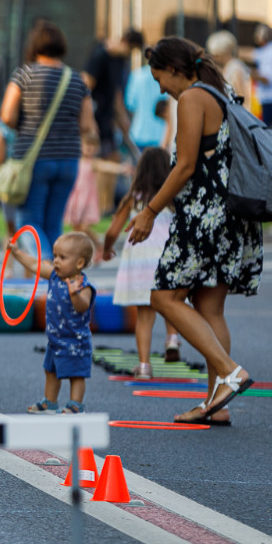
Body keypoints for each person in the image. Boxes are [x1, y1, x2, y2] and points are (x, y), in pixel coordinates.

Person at [129, 37, 260, 425]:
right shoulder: (222, 93)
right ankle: (214, 402)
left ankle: (230, 371)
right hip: (233, 214)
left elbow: (184, 166)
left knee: (163, 297)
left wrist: (149, 211)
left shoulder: (190, 99)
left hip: (205, 216)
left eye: (159, 79)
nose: (160, 88)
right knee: (209, 307)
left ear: (174, 69)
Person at [0, 20, 96, 256]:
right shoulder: (77, 80)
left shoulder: (24, 75)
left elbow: (7, 116)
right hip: (69, 159)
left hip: (33, 160)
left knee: (28, 224)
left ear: (34, 45)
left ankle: (48, 269)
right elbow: (87, 125)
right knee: (53, 225)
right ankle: (58, 279)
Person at [103, 148, 176, 379]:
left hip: (141, 263)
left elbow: (113, 229)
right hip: (166, 257)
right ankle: (172, 338)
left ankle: (144, 366)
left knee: (144, 316)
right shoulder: (174, 199)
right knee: (171, 304)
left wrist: (107, 248)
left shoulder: (134, 197)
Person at [17, 231, 98, 414]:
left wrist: (74, 294)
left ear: (79, 263)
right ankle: (49, 401)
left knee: (76, 374)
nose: (56, 261)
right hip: (55, 338)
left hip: (75, 340)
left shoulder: (83, 285)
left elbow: (82, 307)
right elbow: (33, 265)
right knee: (50, 370)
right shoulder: (54, 276)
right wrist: (16, 253)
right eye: (55, 256)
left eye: (62, 257)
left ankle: (75, 404)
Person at [83, 29, 141, 158]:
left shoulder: (119, 61)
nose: (129, 54)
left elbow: (116, 93)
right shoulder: (99, 54)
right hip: (95, 115)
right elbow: (86, 86)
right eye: (130, 50)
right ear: (125, 42)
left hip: (107, 118)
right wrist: (89, 119)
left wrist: (122, 118)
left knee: (113, 156)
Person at [205, 30, 253, 113]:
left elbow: (242, 96)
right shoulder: (228, 67)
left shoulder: (235, 67)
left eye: (217, 55)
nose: (214, 59)